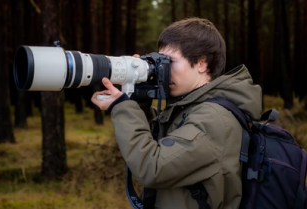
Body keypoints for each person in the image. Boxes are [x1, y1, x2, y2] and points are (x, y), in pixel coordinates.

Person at [91, 17, 262, 209]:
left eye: (169, 61)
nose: (162, 69)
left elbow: (152, 167)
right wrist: (139, 99)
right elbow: (152, 141)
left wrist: (121, 107)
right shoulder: (190, 108)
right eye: (160, 61)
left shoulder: (213, 119)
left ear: (202, 63)